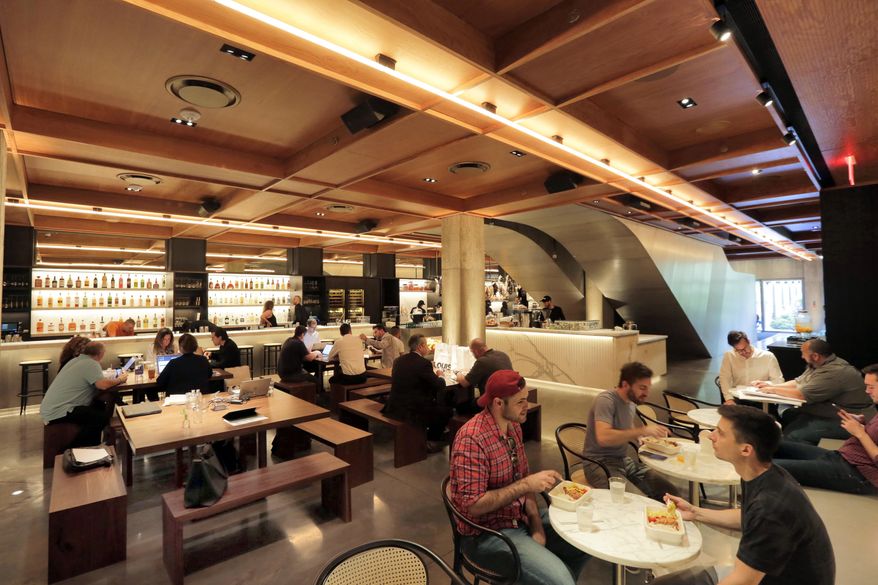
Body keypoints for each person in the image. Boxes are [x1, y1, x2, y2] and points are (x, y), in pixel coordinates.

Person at [652, 405, 834, 585]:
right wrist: (695, 512)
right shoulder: (764, 474)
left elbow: (743, 581)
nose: (710, 436)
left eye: (720, 433)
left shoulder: (770, 506)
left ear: (746, 450)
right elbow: (748, 516)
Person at [450, 370, 589, 585]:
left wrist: (536, 524)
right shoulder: (472, 439)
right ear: (498, 403)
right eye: (520, 401)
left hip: (518, 518)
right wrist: (526, 484)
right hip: (486, 535)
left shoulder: (513, 427)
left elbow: (524, 477)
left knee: (585, 539)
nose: (527, 405)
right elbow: (474, 505)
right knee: (561, 581)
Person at [773, 363, 878, 495]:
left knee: (770, 467)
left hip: (856, 473)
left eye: (871, 387)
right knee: (774, 444)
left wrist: (860, 433)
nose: (867, 391)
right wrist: (862, 423)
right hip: (842, 457)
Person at [582, 362, 679, 499]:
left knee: (670, 492)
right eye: (642, 388)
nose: (646, 393)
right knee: (637, 502)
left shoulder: (631, 401)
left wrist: (640, 438)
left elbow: (627, 425)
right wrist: (641, 430)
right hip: (599, 464)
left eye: (648, 388)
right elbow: (603, 437)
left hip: (623, 460)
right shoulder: (606, 400)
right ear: (626, 384)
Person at [754, 339, 873, 444]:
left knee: (794, 435)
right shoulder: (819, 365)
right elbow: (799, 382)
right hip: (832, 412)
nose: (802, 357)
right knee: (789, 414)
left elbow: (801, 394)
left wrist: (773, 389)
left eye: (803, 354)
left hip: (850, 417)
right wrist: (773, 386)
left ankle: (801, 464)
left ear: (815, 356)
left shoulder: (834, 372)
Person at [40, 341, 128, 447]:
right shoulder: (91, 363)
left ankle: (94, 444)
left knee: (99, 406)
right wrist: (120, 379)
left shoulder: (75, 361)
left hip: (50, 407)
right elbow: (102, 385)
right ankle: (76, 448)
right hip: (60, 410)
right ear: (101, 354)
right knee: (100, 418)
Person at [383, 334, 452, 450]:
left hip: (393, 404)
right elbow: (439, 385)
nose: (428, 348)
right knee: (446, 410)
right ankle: (432, 440)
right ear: (421, 346)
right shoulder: (423, 363)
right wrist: (440, 376)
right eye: (426, 345)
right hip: (411, 409)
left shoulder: (398, 360)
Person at [718, 331, 783, 404]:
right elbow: (724, 379)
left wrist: (766, 383)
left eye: (744, 348)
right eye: (738, 350)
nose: (743, 352)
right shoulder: (729, 356)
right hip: (738, 397)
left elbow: (779, 380)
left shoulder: (768, 356)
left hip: (761, 398)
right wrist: (729, 399)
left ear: (748, 341)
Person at [456, 338, 513, 416]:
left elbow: (465, 383)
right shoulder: (503, 355)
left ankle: (474, 426)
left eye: (472, 353)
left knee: (459, 407)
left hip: (491, 402)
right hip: (508, 398)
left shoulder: (482, 361)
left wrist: (458, 374)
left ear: (475, 351)